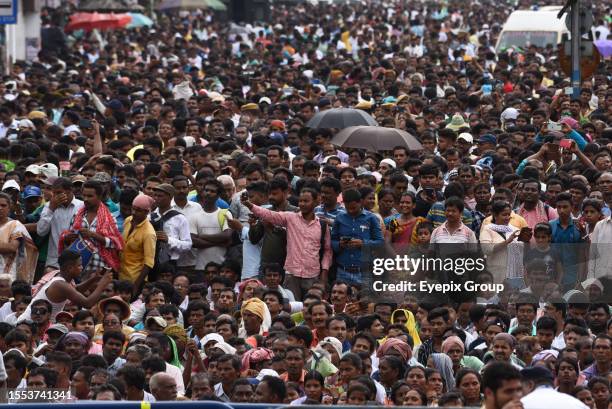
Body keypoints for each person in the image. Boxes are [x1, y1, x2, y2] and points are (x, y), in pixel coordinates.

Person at [241, 188, 332, 300]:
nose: (302, 204)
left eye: (306, 201)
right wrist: (249, 205)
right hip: (291, 274)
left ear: (315, 202)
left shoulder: (322, 225)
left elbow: (327, 250)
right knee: (293, 311)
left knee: (312, 307)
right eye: (300, 201)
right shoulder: (290, 217)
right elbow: (268, 214)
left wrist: (324, 273)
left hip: (312, 275)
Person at [19, 250, 112, 323]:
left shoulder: (61, 279)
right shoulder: (60, 285)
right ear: (70, 268)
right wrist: (102, 285)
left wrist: (94, 279)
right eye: (79, 265)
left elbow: (76, 290)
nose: (82, 268)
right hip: (28, 324)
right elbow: (87, 303)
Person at [59, 180, 123, 279]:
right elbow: (69, 239)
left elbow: (115, 243)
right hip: (78, 269)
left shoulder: (109, 218)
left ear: (100, 197)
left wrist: (93, 235)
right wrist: (67, 237)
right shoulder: (78, 216)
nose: (85, 199)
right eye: (84, 195)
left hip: (98, 269)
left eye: (90, 196)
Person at [37, 177, 83, 270]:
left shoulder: (82, 206)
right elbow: (41, 231)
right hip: (54, 261)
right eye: (54, 193)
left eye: (59, 193)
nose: (55, 196)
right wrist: (51, 209)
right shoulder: (49, 206)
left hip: (76, 261)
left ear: (70, 191)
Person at [120, 194, 157, 290]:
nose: (134, 212)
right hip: (121, 275)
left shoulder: (149, 233)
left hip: (134, 278)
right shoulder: (128, 221)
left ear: (146, 212)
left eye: (138, 210)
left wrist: (136, 286)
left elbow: (148, 263)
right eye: (133, 209)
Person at [0, 192, 38, 283]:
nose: (0, 208)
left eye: (3, 205)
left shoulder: (15, 225)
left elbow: (12, 247)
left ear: (9, 208)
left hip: (8, 274)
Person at [521, 366, 588, 409]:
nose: (519, 393)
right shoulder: (577, 404)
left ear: (530, 385)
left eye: (520, 388)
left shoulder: (521, 405)